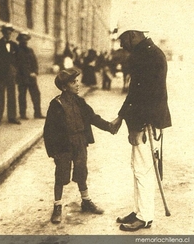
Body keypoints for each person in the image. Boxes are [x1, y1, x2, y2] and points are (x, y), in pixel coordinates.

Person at [111, 18, 172, 231]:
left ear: (133, 34)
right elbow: (134, 92)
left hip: (148, 122)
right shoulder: (144, 53)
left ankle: (145, 217)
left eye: (123, 39)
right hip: (145, 120)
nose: (120, 44)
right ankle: (138, 211)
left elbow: (147, 96)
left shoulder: (150, 56)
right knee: (138, 167)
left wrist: (136, 127)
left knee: (143, 169)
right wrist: (121, 116)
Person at [43, 67, 114, 224]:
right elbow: (49, 129)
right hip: (64, 145)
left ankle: (86, 201)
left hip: (80, 141)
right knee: (61, 174)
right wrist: (53, 151)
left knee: (82, 171)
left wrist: (109, 126)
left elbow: (93, 117)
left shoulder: (80, 102)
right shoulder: (56, 104)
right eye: (73, 82)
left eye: (77, 81)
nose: (77, 84)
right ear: (64, 87)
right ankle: (57, 206)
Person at [0, 24, 20, 125]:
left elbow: (18, 59)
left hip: (11, 74)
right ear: (3, 33)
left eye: (10, 33)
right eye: (6, 33)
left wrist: (15, 70)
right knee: (0, 96)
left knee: (12, 95)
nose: (8, 35)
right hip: (0, 74)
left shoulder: (14, 45)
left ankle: (12, 117)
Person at [16, 31, 45, 119]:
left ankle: (37, 113)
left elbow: (35, 63)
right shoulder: (16, 50)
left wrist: (35, 72)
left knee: (36, 95)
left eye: (26, 39)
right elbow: (17, 65)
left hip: (32, 77)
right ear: (19, 40)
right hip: (22, 77)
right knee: (22, 96)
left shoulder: (30, 50)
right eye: (22, 39)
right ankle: (23, 114)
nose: (24, 41)